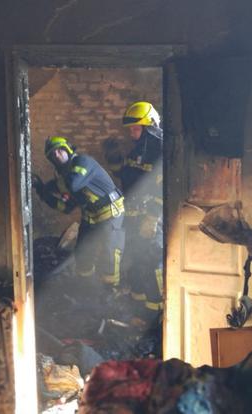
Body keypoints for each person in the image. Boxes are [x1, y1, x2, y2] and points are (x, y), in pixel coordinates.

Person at [33, 136, 125, 295]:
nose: (57, 155)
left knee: (110, 253)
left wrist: (53, 186)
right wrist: (43, 192)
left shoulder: (82, 162)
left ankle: (111, 291)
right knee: (83, 252)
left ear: (68, 149)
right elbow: (65, 208)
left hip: (110, 213)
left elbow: (74, 184)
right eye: (53, 154)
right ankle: (86, 287)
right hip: (90, 216)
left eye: (60, 150)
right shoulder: (64, 177)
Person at [109, 101, 163, 326]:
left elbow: (163, 189)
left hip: (152, 219)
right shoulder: (138, 151)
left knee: (152, 262)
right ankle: (140, 308)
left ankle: (158, 313)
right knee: (136, 260)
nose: (132, 134)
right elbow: (127, 177)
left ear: (149, 127)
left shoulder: (161, 152)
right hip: (134, 215)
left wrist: (152, 218)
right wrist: (114, 160)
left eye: (136, 129)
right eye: (131, 129)